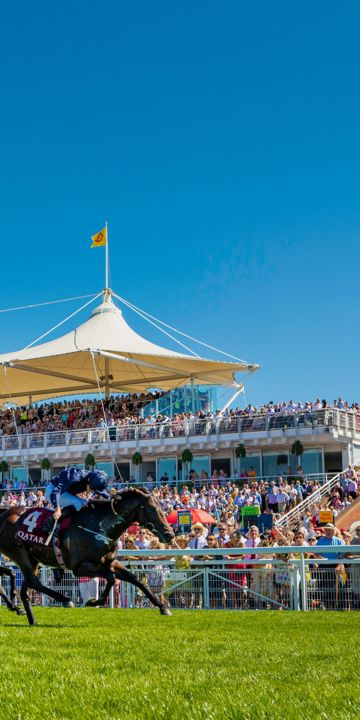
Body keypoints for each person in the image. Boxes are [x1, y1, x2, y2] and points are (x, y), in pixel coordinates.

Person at [43, 466, 110, 531]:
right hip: (52, 492)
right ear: (88, 480)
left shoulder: (92, 480)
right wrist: (57, 508)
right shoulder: (75, 477)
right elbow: (56, 492)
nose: (93, 491)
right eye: (93, 489)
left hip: (65, 493)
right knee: (78, 503)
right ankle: (50, 521)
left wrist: (113, 499)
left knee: (86, 503)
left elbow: (105, 494)